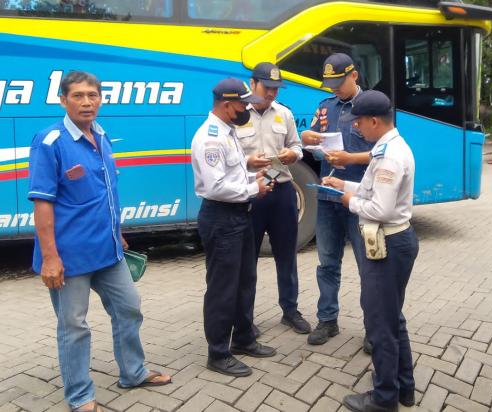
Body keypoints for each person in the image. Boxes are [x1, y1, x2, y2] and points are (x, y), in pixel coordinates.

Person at [28, 71, 171, 412]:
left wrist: (117, 232)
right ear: (63, 100)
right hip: (69, 258)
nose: (87, 101)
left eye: (93, 95)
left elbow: (106, 194)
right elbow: (43, 203)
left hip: (108, 251)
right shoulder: (49, 142)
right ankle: (80, 396)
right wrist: (50, 258)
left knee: (129, 308)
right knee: (74, 327)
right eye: (78, 95)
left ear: (101, 99)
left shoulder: (102, 137)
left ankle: (133, 372)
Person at [323, 90, 418, 412]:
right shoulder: (386, 147)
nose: (356, 129)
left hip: (389, 244)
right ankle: (404, 388)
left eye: (359, 123)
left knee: (380, 323)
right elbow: (371, 188)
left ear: (375, 121)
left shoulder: (389, 155)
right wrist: (343, 187)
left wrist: (349, 202)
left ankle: (384, 397)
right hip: (395, 241)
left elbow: (379, 207)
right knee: (393, 319)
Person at [191, 77, 277, 377]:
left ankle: (243, 338)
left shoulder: (227, 131)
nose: (248, 109)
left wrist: (250, 169)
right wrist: (256, 189)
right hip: (221, 216)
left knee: (244, 281)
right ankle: (218, 353)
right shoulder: (210, 137)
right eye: (244, 104)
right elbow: (216, 187)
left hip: (239, 215)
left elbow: (229, 174)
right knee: (222, 288)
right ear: (227, 105)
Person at [300, 53, 374, 350]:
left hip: (360, 199)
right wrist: (308, 137)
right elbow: (312, 137)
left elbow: (383, 152)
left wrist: (349, 158)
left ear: (354, 75)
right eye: (329, 82)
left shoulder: (372, 106)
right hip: (328, 197)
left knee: (368, 266)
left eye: (338, 82)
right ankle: (327, 320)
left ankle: (374, 327)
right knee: (327, 263)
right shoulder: (325, 106)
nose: (333, 88)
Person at [237, 62, 311, 335]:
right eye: (267, 87)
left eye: (276, 89)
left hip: (282, 193)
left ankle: (290, 311)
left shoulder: (284, 114)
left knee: (286, 255)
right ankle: (245, 318)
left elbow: (296, 146)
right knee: (248, 259)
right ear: (252, 83)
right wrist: (248, 161)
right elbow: (228, 157)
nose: (271, 94)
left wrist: (294, 154)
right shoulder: (237, 115)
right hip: (251, 194)